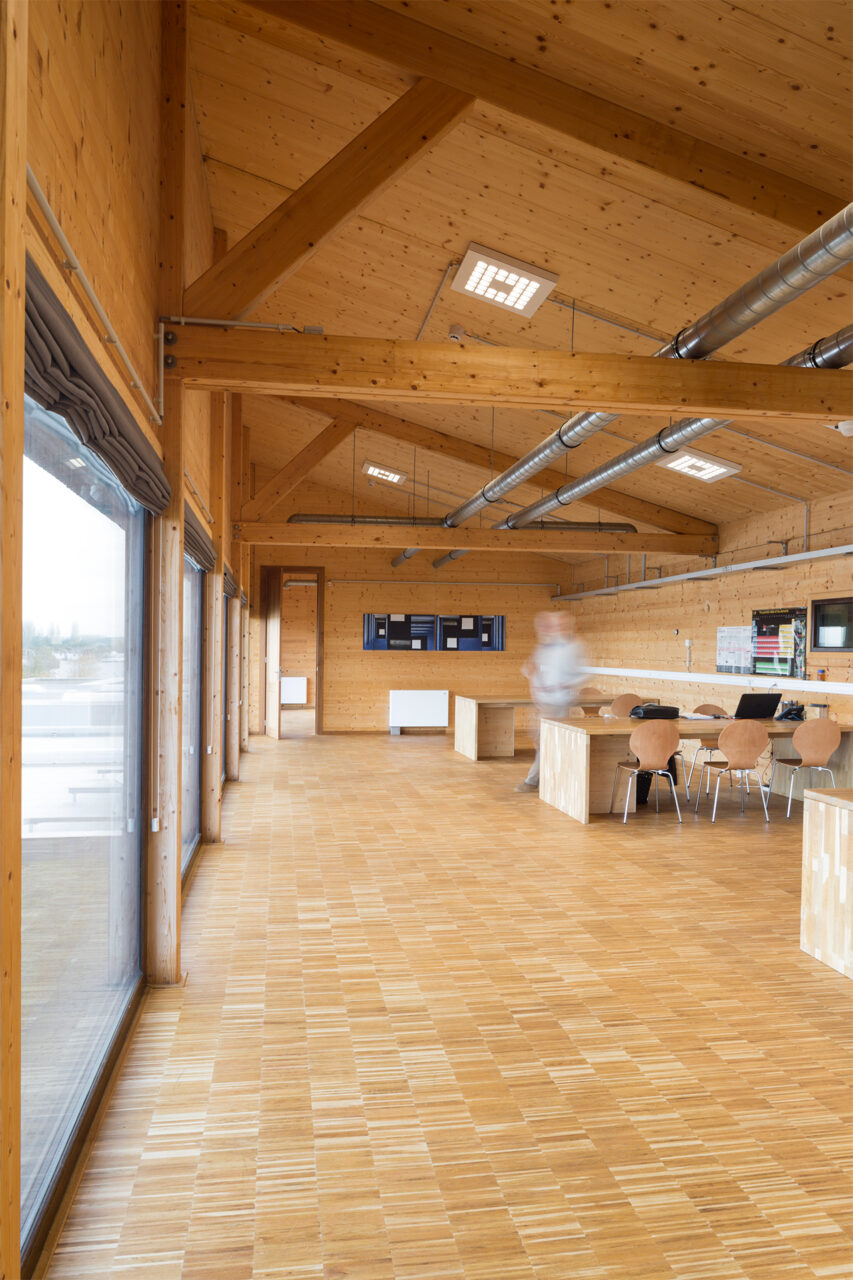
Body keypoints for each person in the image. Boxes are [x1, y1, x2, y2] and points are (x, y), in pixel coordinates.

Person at [516, 611, 586, 792]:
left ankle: (535, 780)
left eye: (559, 624)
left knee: (547, 742)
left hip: (558, 702)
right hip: (542, 702)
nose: (555, 628)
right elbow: (531, 669)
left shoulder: (574, 646)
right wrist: (535, 678)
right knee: (541, 741)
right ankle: (544, 779)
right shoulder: (546, 646)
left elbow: (583, 673)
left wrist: (565, 684)